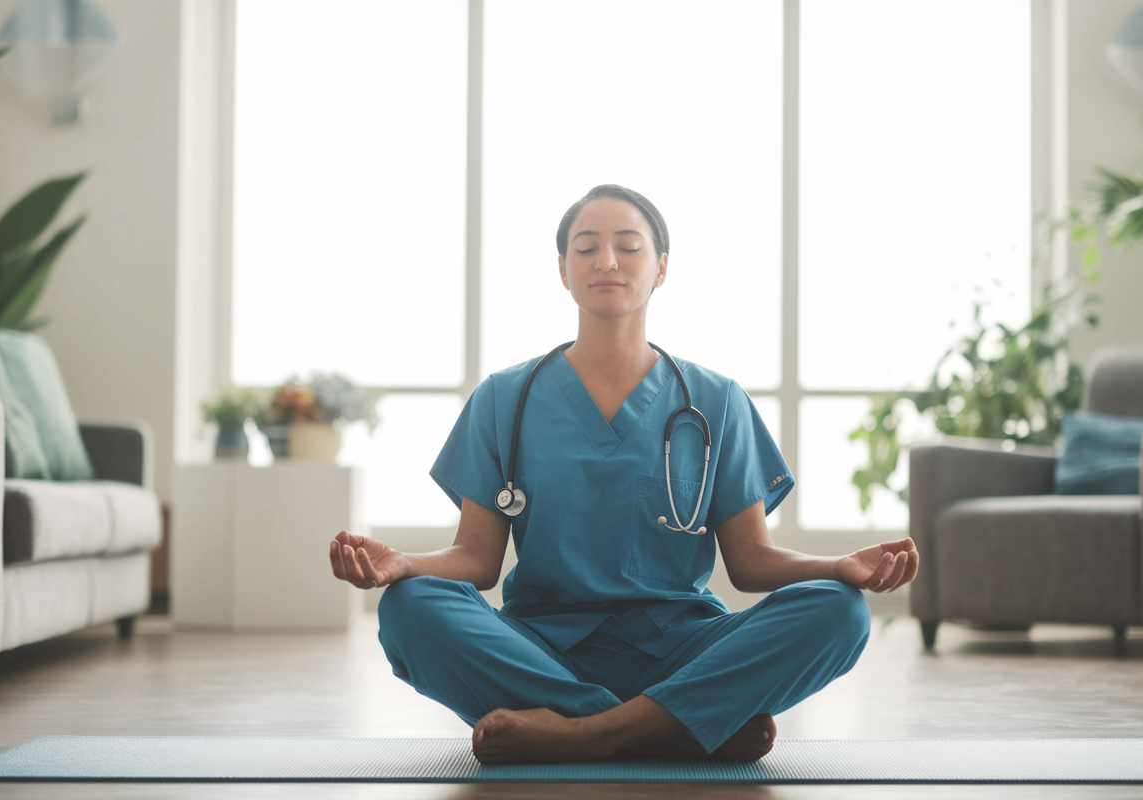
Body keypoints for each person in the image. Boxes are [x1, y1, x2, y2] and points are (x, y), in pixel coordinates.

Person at [328, 184, 918, 765]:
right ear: (562, 269)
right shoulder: (503, 398)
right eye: (585, 247)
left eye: (628, 246)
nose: (606, 261)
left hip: (680, 646)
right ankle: (677, 726)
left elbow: (752, 562)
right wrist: (404, 565)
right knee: (410, 607)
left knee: (838, 610)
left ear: (661, 268)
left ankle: (585, 734)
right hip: (542, 650)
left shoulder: (715, 399)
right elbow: (477, 560)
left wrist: (837, 568)